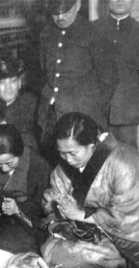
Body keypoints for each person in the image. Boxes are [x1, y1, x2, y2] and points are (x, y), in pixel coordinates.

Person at [42, 112, 139, 268]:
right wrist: (58, 207)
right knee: (50, 249)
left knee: (97, 257)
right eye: (62, 153)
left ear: (92, 144)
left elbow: (126, 218)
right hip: (89, 234)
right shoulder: (68, 165)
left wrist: (80, 214)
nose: (67, 159)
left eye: (72, 153)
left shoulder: (125, 164)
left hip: (127, 245)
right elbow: (52, 199)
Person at [38, 0, 119, 163]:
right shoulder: (46, 33)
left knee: (85, 168)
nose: (60, 17)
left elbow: (109, 79)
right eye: (55, 12)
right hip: (51, 116)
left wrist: (93, 112)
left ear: (78, 5)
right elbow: (42, 70)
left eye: (65, 11)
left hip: (83, 118)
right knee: (55, 163)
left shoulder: (94, 33)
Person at [0, 124, 51, 254]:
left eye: (9, 163)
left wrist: (18, 208)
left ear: (19, 153)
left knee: (6, 248)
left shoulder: (39, 166)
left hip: (27, 225)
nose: (4, 169)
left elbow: (44, 207)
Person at [93, 0, 139, 149]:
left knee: (127, 163)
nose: (119, 0)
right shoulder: (92, 30)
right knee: (95, 163)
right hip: (95, 114)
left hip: (126, 118)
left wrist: (126, 98)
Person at [0, 55, 40, 151]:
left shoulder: (32, 103)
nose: (8, 87)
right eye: (2, 83)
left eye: (12, 81)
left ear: (19, 83)